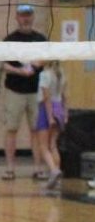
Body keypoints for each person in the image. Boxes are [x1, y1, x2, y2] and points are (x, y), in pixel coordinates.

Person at [0, 3, 47, 180]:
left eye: (28, 15)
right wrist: (20, 71)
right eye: (22, 15)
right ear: (17, 17)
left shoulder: (41, 39)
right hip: (14, 91)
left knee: (36, 130)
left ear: (33, 17)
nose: (25, 18)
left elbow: (46, 59)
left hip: (36, 92)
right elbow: (2, 64)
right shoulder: (9, 39)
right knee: (11, 129)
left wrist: (34, 67)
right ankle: (10, 169)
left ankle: (38, 168)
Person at [36, 58, 68, 193]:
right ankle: (57, 177)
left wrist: (49, 117)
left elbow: (46, 97)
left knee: (43, 146)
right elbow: (65, 96)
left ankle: (54, 171)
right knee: (53, 145)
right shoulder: (62, 74)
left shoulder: (44, 75)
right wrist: (65, 114)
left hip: (46, 109)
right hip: (59, 107)